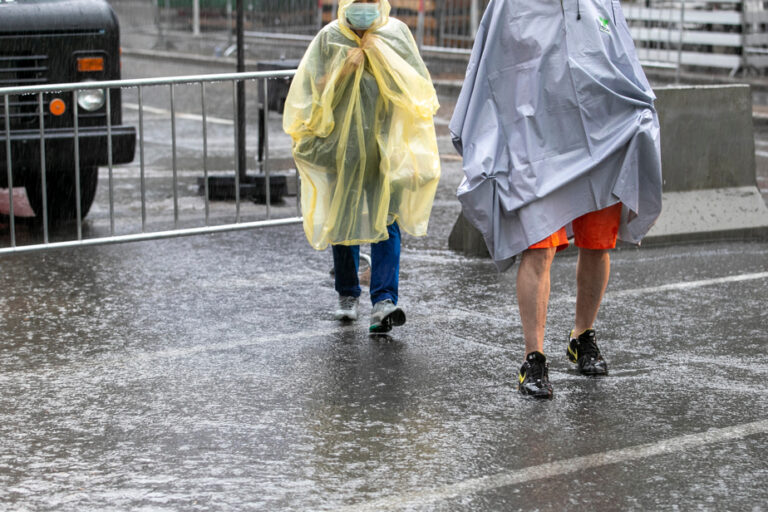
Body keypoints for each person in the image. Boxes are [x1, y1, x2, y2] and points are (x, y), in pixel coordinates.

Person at [449, 0, 662, 398]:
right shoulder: (510, 5)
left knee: (598, 245)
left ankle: (582, 336)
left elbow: (622, 63)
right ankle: (534, 358)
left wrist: (640, 115)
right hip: (536, 149)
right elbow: (491, 74)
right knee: (538, 250)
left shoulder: (600, 2)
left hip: (600, 144)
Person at [283, 0, 441, 333]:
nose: (364, 8)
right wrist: (342, 70)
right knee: (343, 221)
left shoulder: (395, 34)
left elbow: (418, 90)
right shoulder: (330, 38)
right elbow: (311, 89)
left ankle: (384, 302)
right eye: (358, 2)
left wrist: (386, 66)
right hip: (343, 151)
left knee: (387, 222)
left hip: (386, 151)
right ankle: (347, 294)